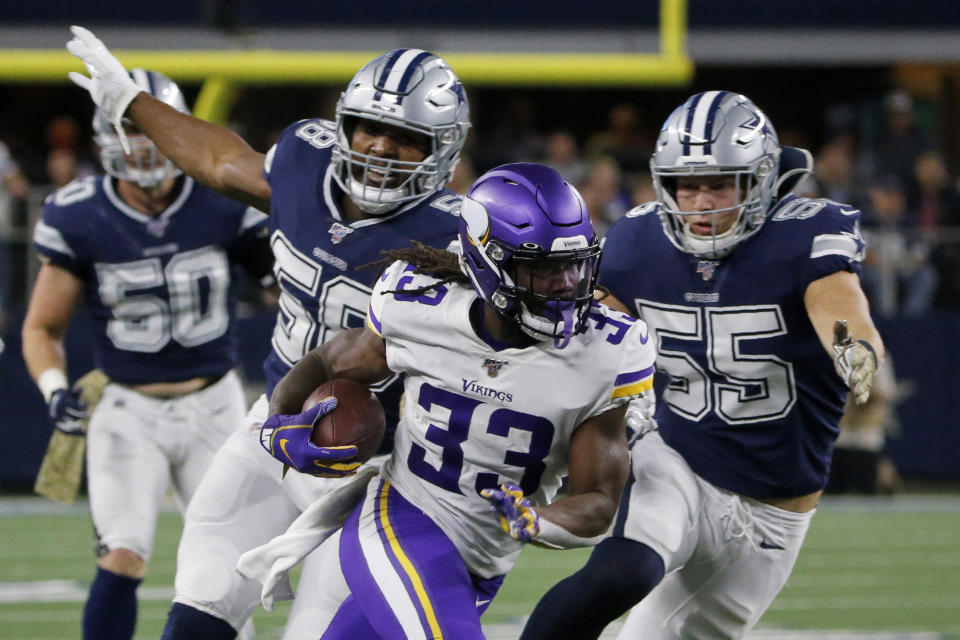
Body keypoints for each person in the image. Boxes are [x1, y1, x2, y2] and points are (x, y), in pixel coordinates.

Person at [66, 26, 471, 639]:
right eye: (369, 128)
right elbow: (221, 161)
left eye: (407, 139)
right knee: (201, 602)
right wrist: (130, 103)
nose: (382, 148)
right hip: (276, 423)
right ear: (344, 125)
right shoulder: (304, 163)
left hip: (383, 467)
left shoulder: (459, 237)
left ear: (442, 150)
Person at [520, 91, 884, 640]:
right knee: (621, 573)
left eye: (720, 183)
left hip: (772, 514)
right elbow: (587, 339)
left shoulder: (806, 234)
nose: (701, 202)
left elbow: (844, 314)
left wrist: (853, 348)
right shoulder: (640, 241)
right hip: (679, 459)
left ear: (761, 180)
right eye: (686, 185)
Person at [253, 162, 656, 638]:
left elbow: (598, 500)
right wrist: (278, 422)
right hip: (401, 519)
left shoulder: (607, 352)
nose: (566, 284)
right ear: (486, 262)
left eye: (574, 264)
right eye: (542, 269)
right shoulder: (419, 307)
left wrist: (538, 519)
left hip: (480, 563)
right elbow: (327, 363)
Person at [21, 69, 274, 640]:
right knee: (123, 554)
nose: (139, 145)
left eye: (146, 129)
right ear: (101, 139)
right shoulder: (77, 214)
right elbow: (41, 327)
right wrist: (55, 389)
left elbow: (283, 287)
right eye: (125, 130)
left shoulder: (222, 196)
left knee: (229, 569)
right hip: (128, 408)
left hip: (215, 402)